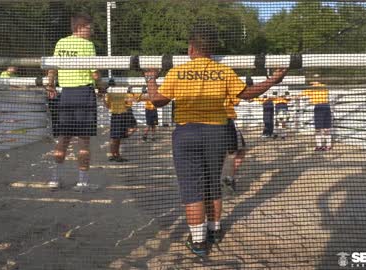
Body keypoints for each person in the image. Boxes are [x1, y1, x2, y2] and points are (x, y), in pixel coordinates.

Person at [143, 22, 288, 257]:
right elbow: (248, 94)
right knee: (212, 185)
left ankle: (199, 242)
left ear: (191, 48)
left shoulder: (178, 72)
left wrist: (150, 78)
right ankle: (215, 230)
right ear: (212, 49)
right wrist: (273, 80)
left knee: (192, 189)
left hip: (187, 134)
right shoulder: (224, 71)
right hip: (217, 132)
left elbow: (158, 101)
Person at [45, 13, 106, 192]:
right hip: (83, 93)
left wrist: (50, 85)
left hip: (65, 95)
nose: (91, 30)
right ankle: (82, 182)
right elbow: (94, 73)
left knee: (63, 138)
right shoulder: (87, 45)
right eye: (89, 27)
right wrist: (101, 87)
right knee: (84, 140)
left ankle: (55, 179)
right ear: (80, 27)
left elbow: (52, 68)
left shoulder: (61, 42)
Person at [298, 78, 332, 151]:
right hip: (326, 106)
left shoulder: (312, 88)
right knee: (326, 128)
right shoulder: (323, 86)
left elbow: (300, 95)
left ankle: (320, 145)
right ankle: (327, 145)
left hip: (319, 107)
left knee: (318, 128)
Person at [221, 96, 246, 194]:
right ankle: (228, 178)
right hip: (226, 121)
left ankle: (224, 179)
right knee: (239, 151)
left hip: (208, 123)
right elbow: (237, 102)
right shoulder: (226, 84)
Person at [104, 90, 131, 162]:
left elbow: (129, 104)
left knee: (118, 137)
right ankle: (113, 155)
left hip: (123, 115)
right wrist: (103, 98)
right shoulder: (110, 92)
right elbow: (108, 105)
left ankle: (116, 154)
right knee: (115, 137)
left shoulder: (125, 92)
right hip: (116, 115)